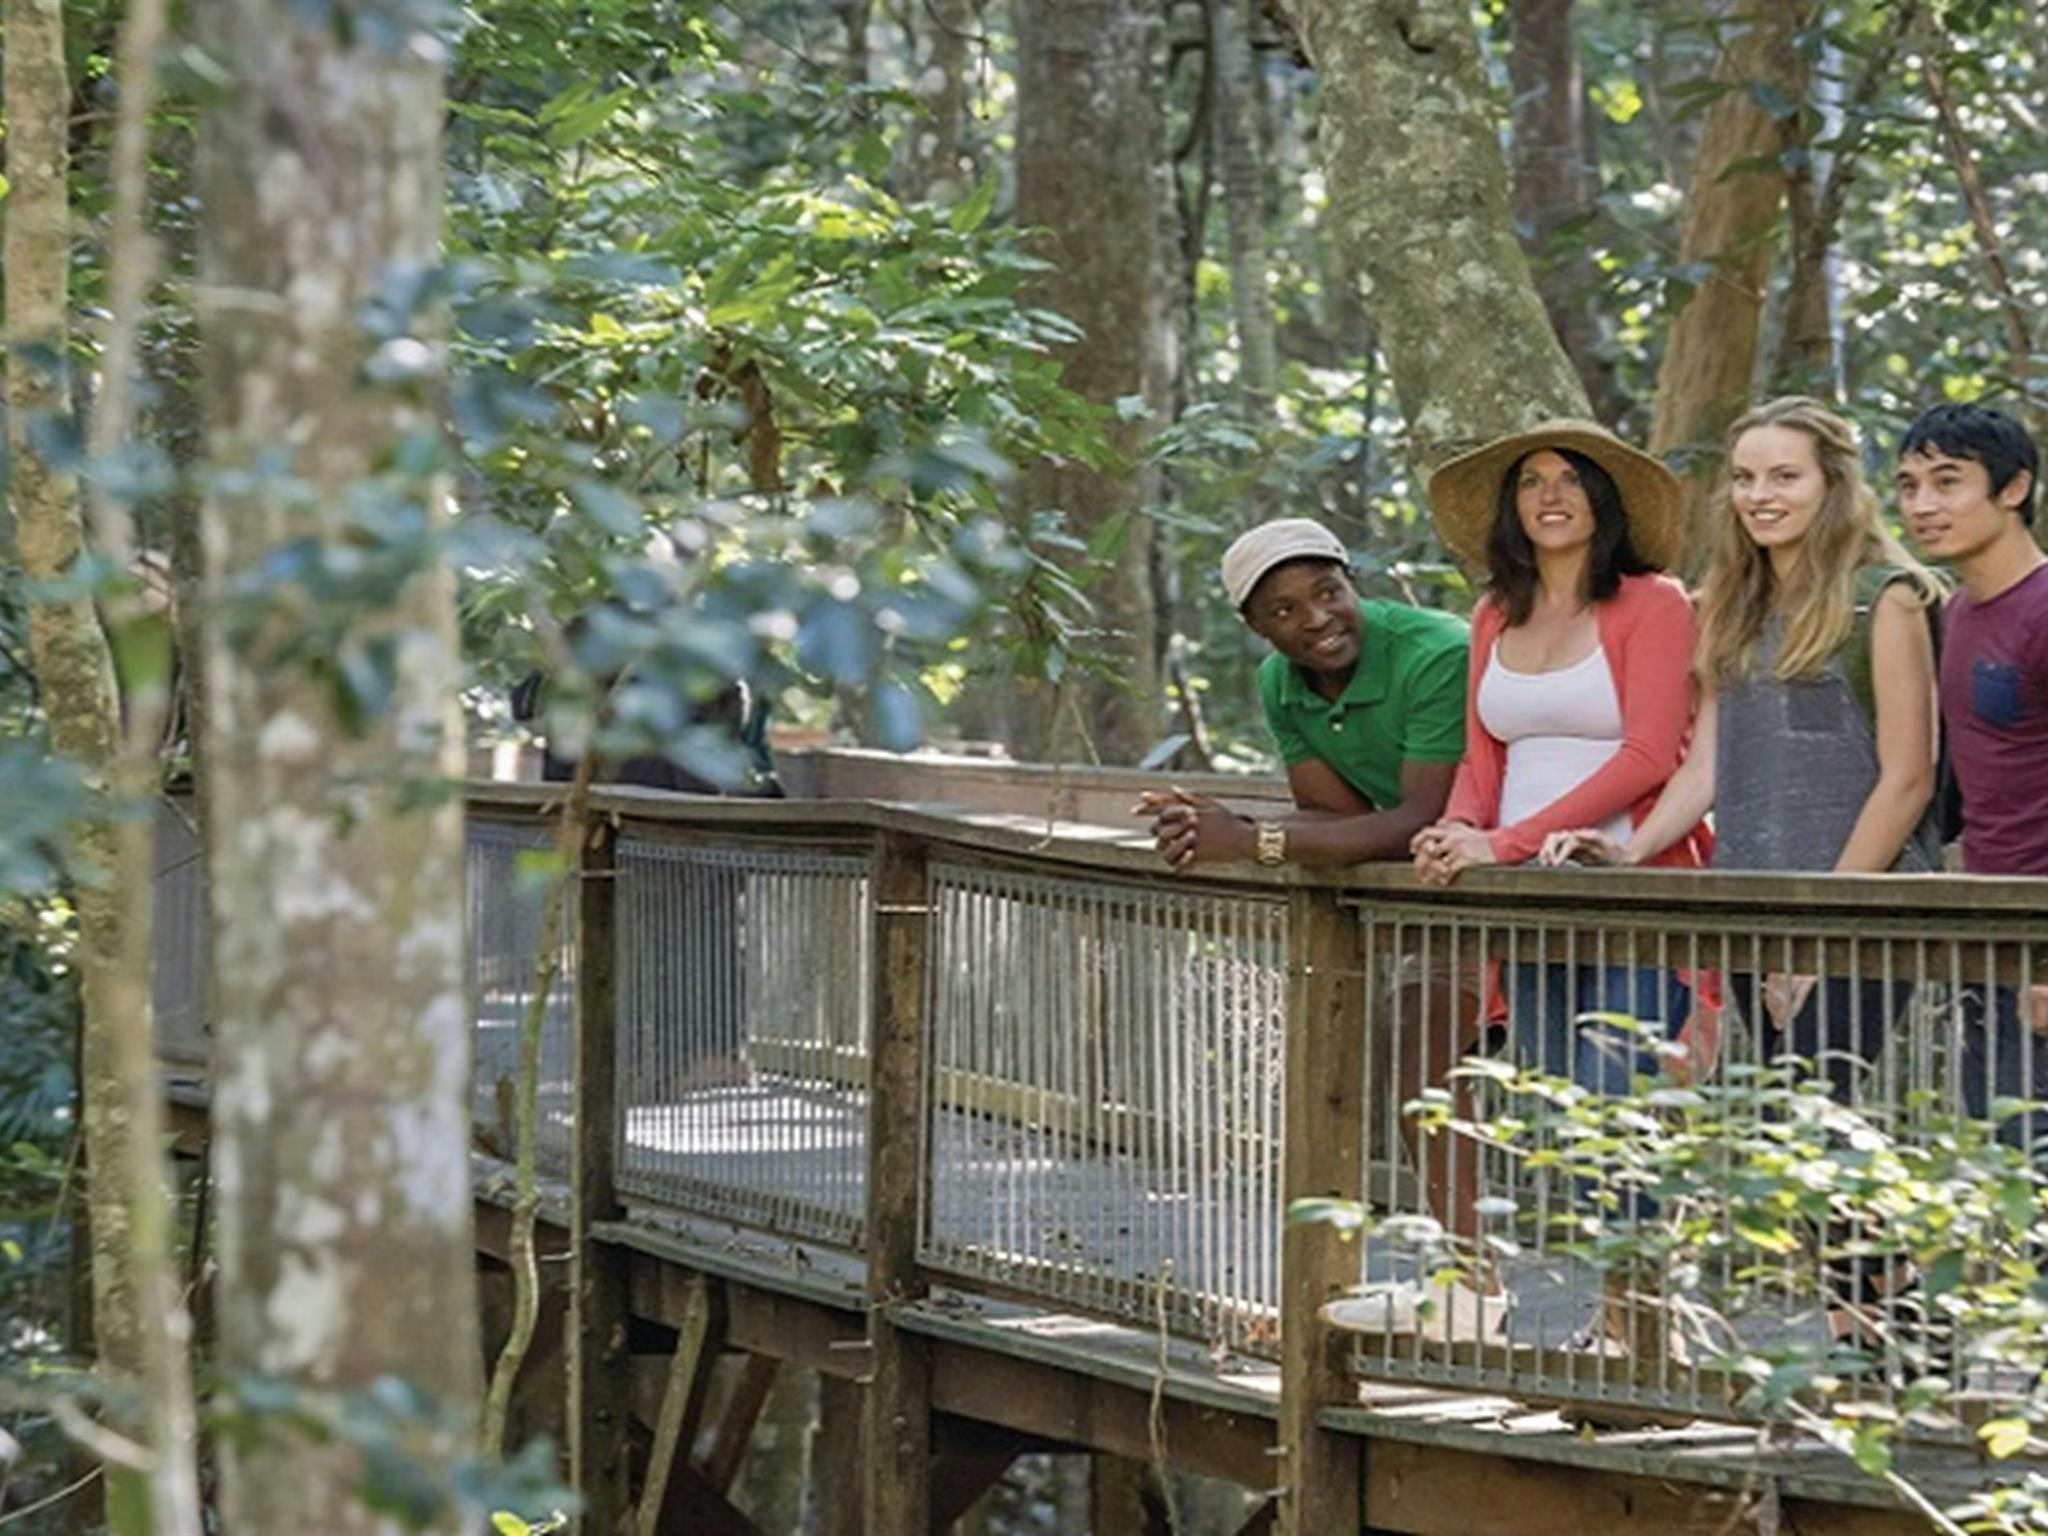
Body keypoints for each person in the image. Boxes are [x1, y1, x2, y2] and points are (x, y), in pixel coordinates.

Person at [1543, 398, 1945, 1343]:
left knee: (1807, 1111)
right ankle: (1883, 1333)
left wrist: (1821, 924)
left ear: (1832, 484)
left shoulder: (1884, 598)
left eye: (1785, 476)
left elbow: (1909, 777)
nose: (1762, 495)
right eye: (1747, 476)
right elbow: (1704, 767)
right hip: (1752, 902)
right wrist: (1630, 849)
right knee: (1785, 1125)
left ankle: (1907, 1315)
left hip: (1859, 907)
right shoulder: (1731, 602)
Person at [1137, 518, 1487, 1338]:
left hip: (1511, 867)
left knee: (1475, 1048)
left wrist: (1248, 840)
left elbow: (1415, 818)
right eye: (1285, 611)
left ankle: (1612, 1308)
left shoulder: (1436, 651)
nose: (1316, 619)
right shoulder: (1280, 682)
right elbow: (1336, 817)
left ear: (1350, 579)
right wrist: (1218, 824)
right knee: (1419, 1047)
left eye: (1327, 592)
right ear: (1257, 628)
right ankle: (1471, 1289)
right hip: (1440, 892)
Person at [1411, 420, 1709, 1097]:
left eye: (1571, 478)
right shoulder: (1493, 611)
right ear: (1513, 507)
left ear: (1603, 497)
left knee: (1605, 1109)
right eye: (1531, 482)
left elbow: (1649, 756)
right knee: (1552, 1106)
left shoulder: (1655, 600)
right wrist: (1460, 828)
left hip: (1631, 889)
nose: (1551, 494)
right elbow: (1481, 752)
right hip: (1526, 898)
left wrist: (1505, 842)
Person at [1896, 402, 2048, 1145]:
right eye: (1909, 485)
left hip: (2041, 941)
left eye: (1948, 482)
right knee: (2004, 1169)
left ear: (2013, 488)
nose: (1924, 505)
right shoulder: (1956, 612)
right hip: (1988, 934)